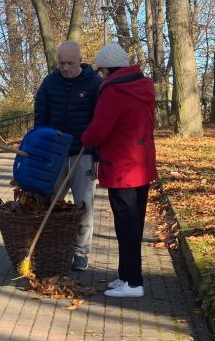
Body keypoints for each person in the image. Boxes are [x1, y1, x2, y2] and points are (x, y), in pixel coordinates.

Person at [81, 42, 157, 298]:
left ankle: (134, 283)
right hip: (142, 165)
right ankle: (126, 275)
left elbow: (100, 129)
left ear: (107, 69)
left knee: (126, 226)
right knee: (132, 224)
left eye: (101, 70)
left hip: (122, 168)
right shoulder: (143, 87)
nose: (101, 75)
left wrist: (86, 138)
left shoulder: (114, 91)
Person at [33, 41, 102, 271]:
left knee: (84, 205)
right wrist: (41, 146)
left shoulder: (94, 84)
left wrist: (96, 155)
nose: (65, 68)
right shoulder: (50, 83)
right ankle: (49, 247)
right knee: (49, 201)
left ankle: (80, 253)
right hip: (55, 153)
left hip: (84, 152)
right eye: (61, 63)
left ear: (80, 61)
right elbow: (40, 117)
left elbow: (101, 121)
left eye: (70, 63)